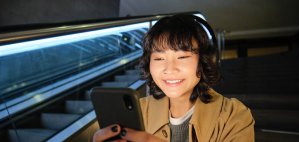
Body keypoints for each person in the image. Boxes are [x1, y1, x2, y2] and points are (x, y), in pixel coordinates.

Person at [93, 14, 255, 142]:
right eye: (159, 58)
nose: (169, 69)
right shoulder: (138, 112)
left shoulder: (233, 116)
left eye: (182, 57)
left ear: (204, 61)